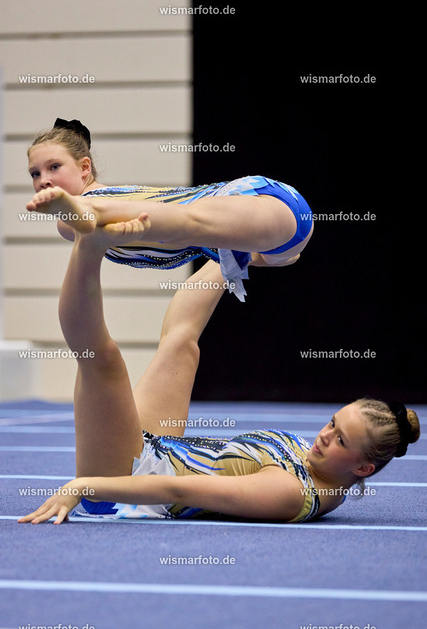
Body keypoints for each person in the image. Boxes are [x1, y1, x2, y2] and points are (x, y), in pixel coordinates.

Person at [18, 227, 420, 525]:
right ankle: (238, 251)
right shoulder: (322, 464)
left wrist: (82, 486)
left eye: (341, 439)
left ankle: (88, 244)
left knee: (102, 361)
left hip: (126, 488)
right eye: (333, 423)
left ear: (363, 469)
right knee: (182, 345)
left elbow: (178, 489)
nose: (325, 435)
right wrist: (251, 248)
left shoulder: (290, 492)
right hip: (156, 453)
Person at [26, 118, 314, 300]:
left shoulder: (90, 205)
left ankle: (88, 211)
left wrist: (76, 210)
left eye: (54, 167)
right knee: (257, 256)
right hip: (281, 240)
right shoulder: (75, 224)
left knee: (187, 224)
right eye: (35, 174)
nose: (43, 180)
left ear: (84, 167)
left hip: (254, 199)